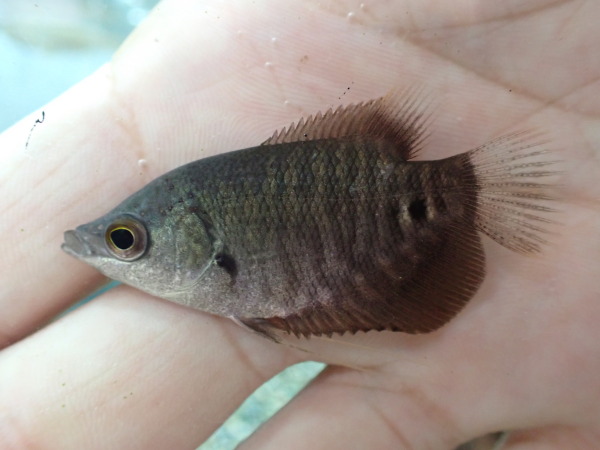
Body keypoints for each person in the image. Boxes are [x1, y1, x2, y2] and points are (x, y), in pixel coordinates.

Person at [0, 1, 598, 448]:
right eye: (121, 238)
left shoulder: (202, 218)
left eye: (125, 240)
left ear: (194, 235)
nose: (110, 248)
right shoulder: (196, 218)